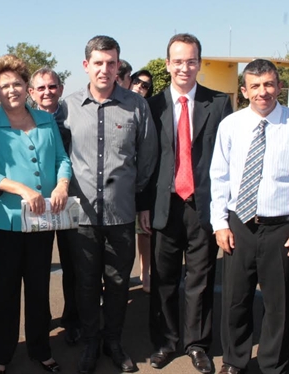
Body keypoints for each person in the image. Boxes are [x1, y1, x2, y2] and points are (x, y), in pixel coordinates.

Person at [210, 59, 289, 374]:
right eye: (256, 86)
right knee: (236, 299)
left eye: (269, 84)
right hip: (239, 225)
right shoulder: (230, 125)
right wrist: (219, 223)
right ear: (244, 90)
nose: (263, 92)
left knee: (279, 303)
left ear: (279, 86)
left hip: (283, 228)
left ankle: (274, 364)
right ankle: (234, 360)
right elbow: (218, 178)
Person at [138, 33, 232, 373]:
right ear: (167, 64)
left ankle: (197, 344)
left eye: (191, 60)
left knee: (200, 279)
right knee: (163, 279)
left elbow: (227, 159)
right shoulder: (151, 106)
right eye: (177, 61)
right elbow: (146, 161)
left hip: (203, 206)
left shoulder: (219, 104)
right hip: (164, 205)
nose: (184, 67)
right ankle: (166, 341)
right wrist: (144, 205)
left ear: (199, 63)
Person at [63, 35, 157, 374]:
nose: (105, 69)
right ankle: (91, 342)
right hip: (81, 215)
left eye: (111, 63)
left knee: (118, 282)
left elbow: (147, 158)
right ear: (86, 66)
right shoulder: (68, 106)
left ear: (119, 66)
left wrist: (134, 195)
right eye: (98, 63)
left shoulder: (137, 105)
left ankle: (113, 341)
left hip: (120, 215)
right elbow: (60, 154)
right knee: (86, 282)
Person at [0, 54, 72, 374]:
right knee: (5, 291)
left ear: (26, 87)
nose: (12, 90)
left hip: (42, 218)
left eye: (17, 83)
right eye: (4, 86)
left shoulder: (45, 120)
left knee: (38, 287)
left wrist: (61, 184)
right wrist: (24, 190)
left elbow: (62, 158)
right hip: (4, 220)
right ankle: (1, 356)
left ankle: (40, 349)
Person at [28, 67, 81, 345]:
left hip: (70, 202)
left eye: (52, 87)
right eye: (41, 88)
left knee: (72, 265)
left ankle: (73, 318)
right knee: (37, 267)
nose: (47, 92)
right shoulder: (22, 119)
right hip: (36, 206)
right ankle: (40, 318)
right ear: (31, 92)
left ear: (60, 88)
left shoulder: (73, 116)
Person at [128, 68, 155, 293]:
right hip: (122, 183)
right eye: (137, 81)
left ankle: (145, 273)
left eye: (145, 85)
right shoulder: (122, 106)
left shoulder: (149, 110)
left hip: (144, 183)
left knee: (144, 232)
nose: (140, 86)